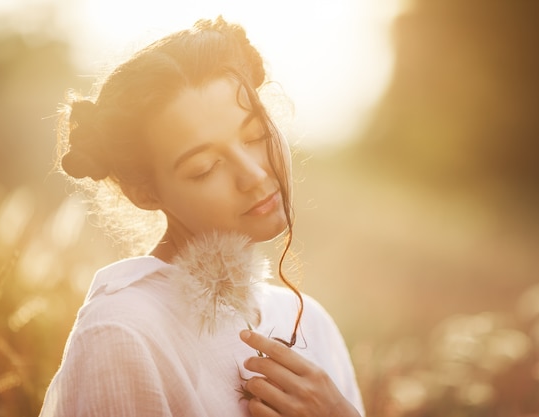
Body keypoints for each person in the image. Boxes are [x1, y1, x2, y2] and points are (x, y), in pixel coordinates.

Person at [39, 16, 364, 417]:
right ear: (146, 192)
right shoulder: (123, 333)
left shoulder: (311, 322)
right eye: (206, 167)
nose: (254, 174)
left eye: (256, 135)